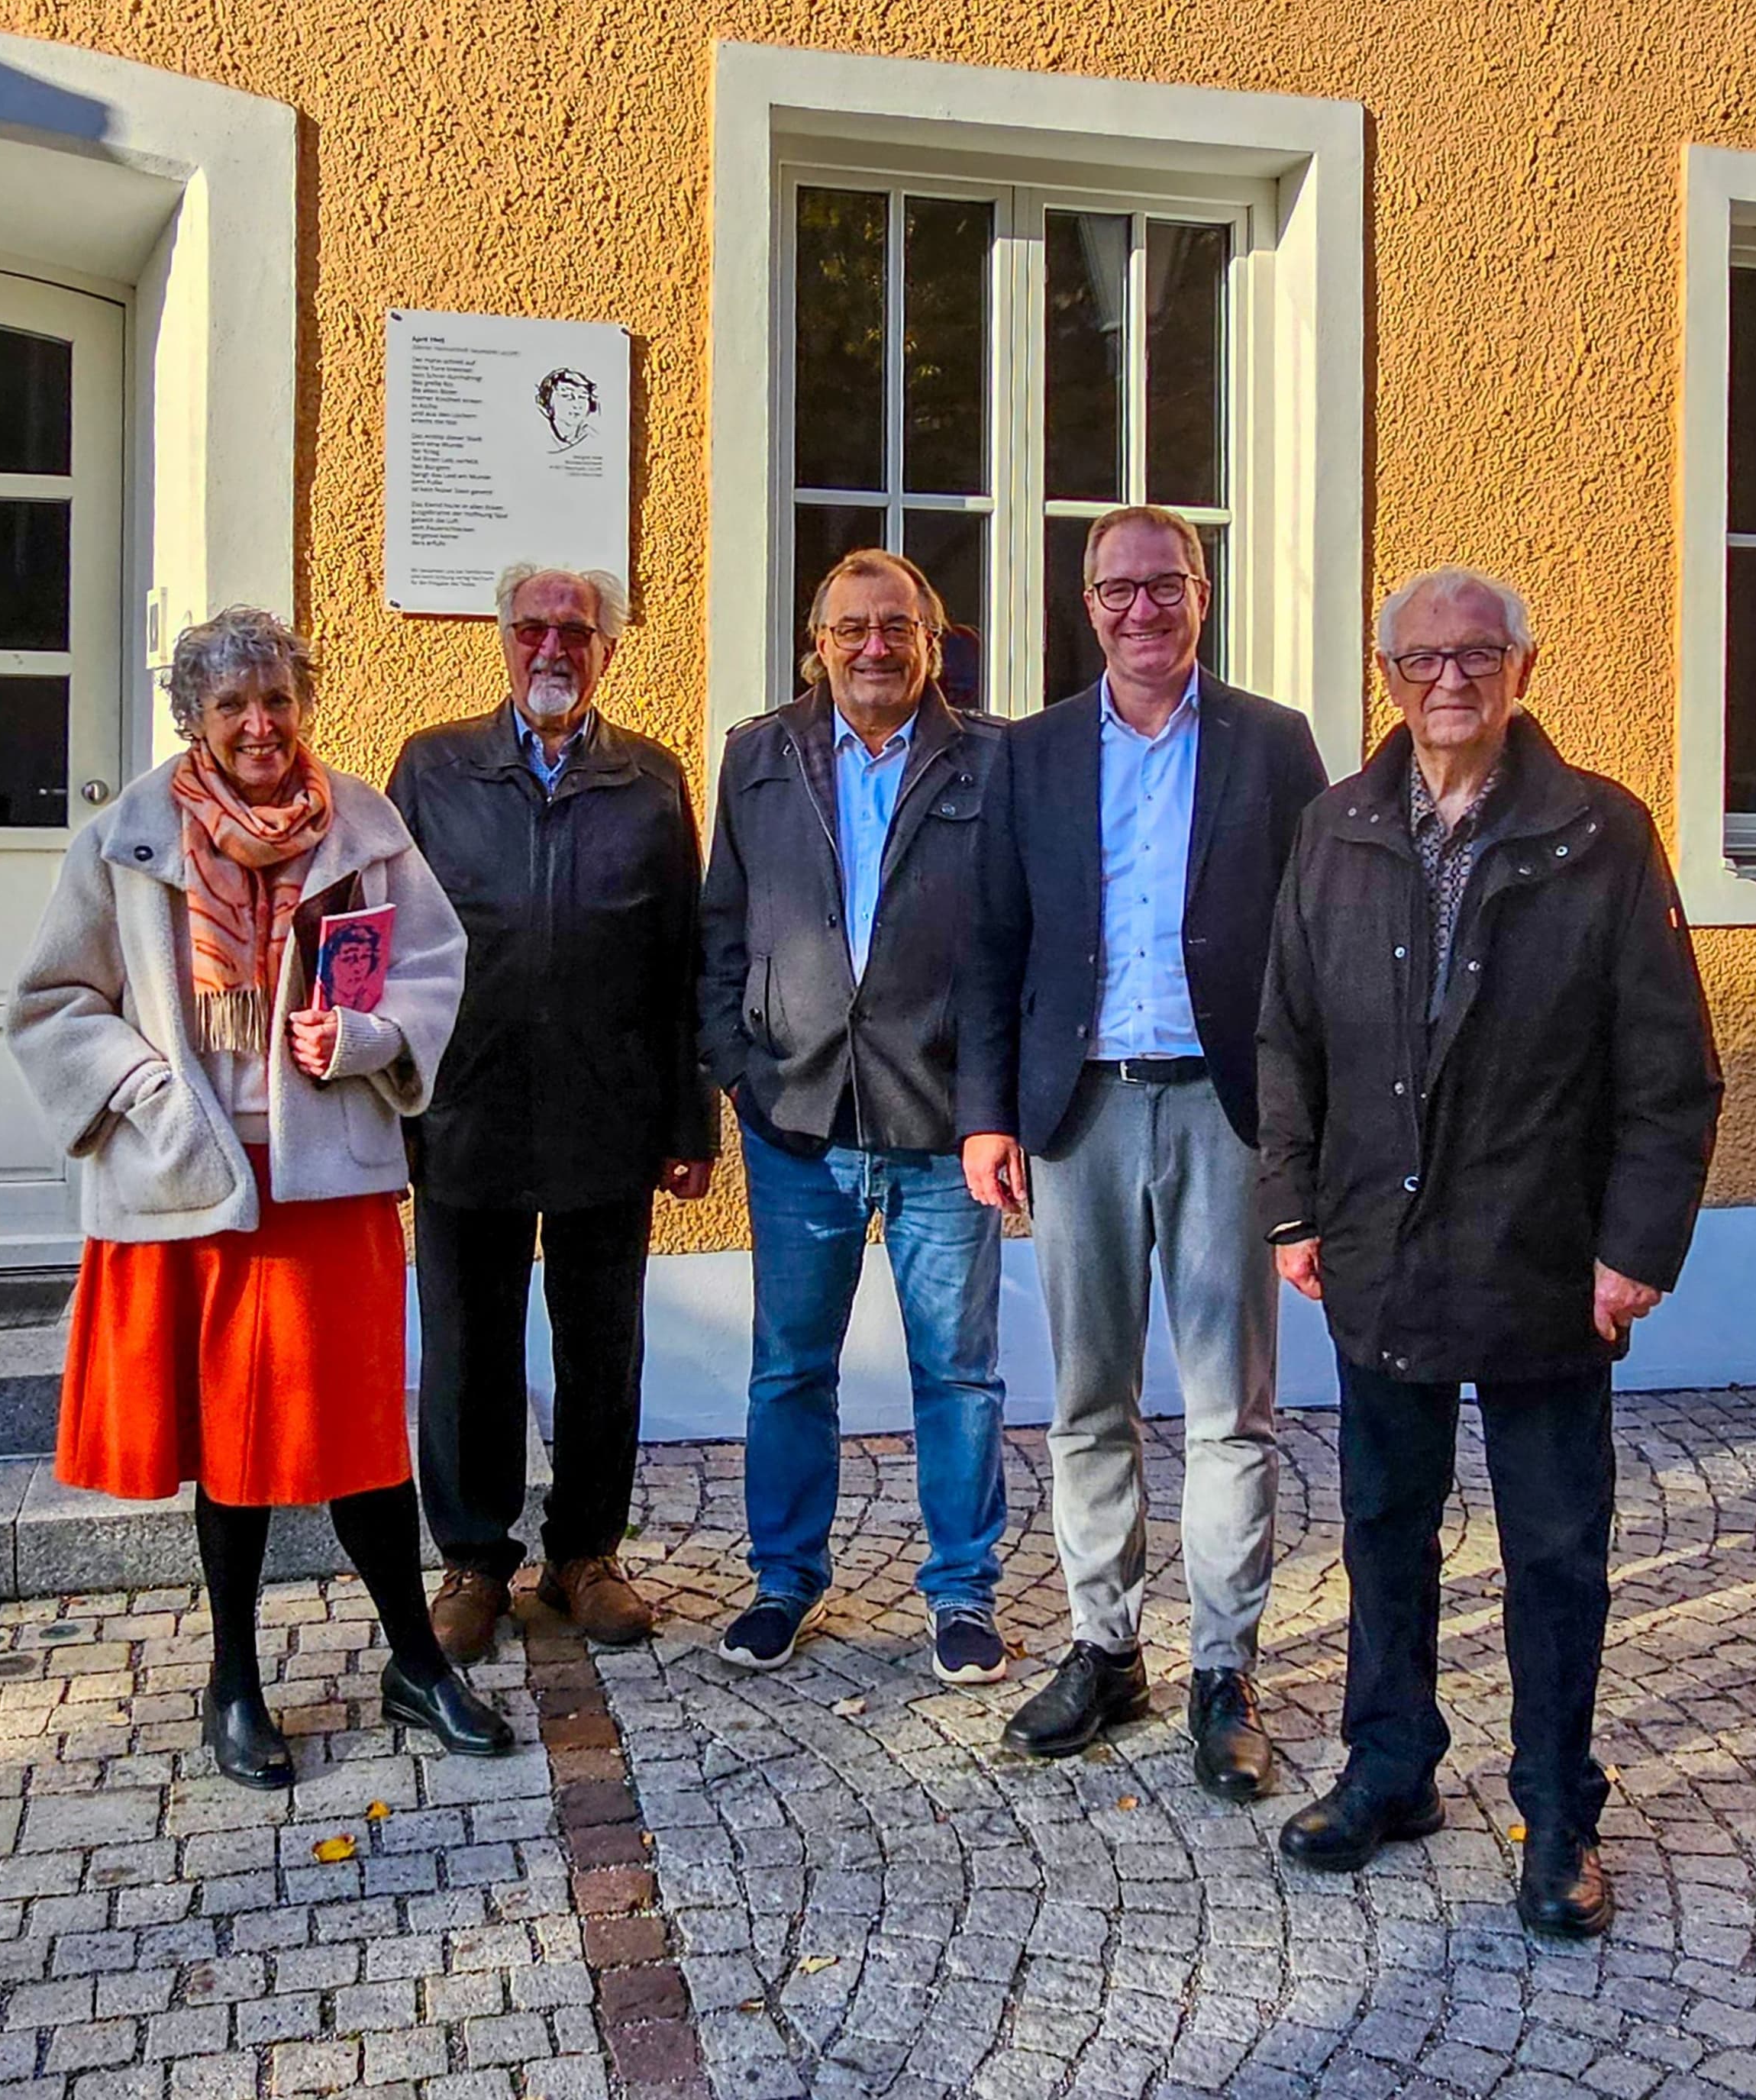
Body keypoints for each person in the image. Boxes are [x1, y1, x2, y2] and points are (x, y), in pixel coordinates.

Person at [1257, 566, 1722, 1937]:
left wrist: (1636, 1247)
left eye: (1476, 655)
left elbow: (1670, 1070)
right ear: (1387, 676)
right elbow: (1287, 1035)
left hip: (1545, 1250)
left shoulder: (1600, 831)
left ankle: (1558, 1814)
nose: (1447, 680)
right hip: (1379, 1242)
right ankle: (1390, 1768)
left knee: (1556, 1551)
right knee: (1384, 1526)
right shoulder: (1336, 827)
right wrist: (1294, 1208)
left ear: (1525, 667)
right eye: (1422, 659)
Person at [8, 606, 515, 1789]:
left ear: (303, 706)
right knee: (225, 1450)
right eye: (231, 704)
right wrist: (146, 1091)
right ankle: (234, 1682)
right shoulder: (128, 837)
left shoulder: (365, 825)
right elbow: (52, 1004)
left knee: (362, 1440)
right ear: (193, 717)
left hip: (325, 1178)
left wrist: (368, 1037)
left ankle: (415, 1665)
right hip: (191, 1181)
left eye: (277, 699)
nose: (258, 724)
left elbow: (432, 966)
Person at [959, 505, 1327, 1802]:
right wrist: (986, 1113)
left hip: (1227, 1108)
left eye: (1165, 585)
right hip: (1082, 1111)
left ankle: (1224, 1671)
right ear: (1088, 604)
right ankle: (1106, 1649)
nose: (1142, 609)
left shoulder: (1273, 744)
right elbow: (991, 942)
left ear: (1202, 594)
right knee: (1086, 1402)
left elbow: (1316, 939)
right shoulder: (1035, 751)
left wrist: (1308, 1126)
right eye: (1117, 589)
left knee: (1231, 1408)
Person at [388, 564, 715, 1662]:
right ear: (503, 638)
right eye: (532, 628)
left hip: (605, 1111)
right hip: (466, 1105)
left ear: (608, 649)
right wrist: (385, 1108)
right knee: (465, 1348)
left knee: (602, 1347)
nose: (552, 649)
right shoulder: (434, 768)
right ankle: (473, 1562)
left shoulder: (651, 778)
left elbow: (683, 958)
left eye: (576, 631)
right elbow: (380, 938)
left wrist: (687, 1124)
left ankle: (585, 1555)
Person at [698, 549, 1014, 1682]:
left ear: (934, 640)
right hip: (797, 1115)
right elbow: (722, 924)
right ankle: (784, 1580)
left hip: (944, 1121)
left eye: (896, 626)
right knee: (789, 1367)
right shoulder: (758, 756)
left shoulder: (996, 761)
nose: (872, 647)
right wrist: (739, 1070)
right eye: (849, 629)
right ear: (816, 645)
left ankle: (963, 1591)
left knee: (959, 1373)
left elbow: (1016, 946)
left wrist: (997, 1106)